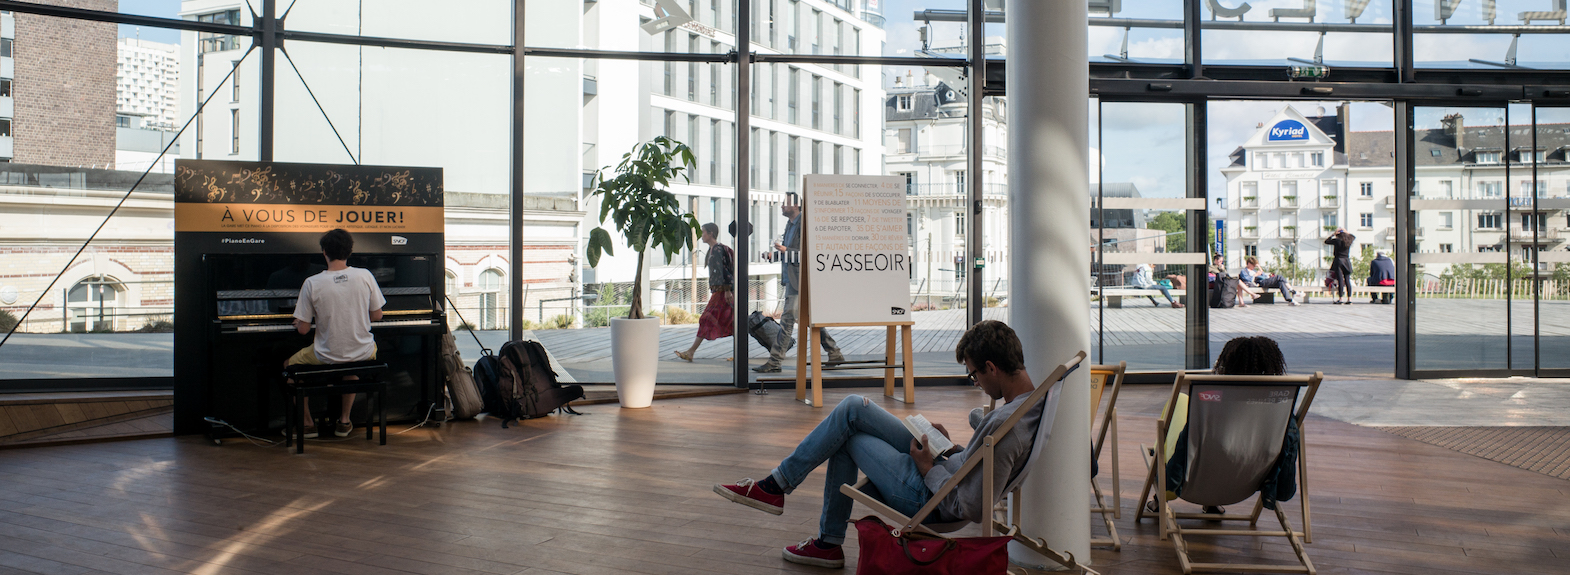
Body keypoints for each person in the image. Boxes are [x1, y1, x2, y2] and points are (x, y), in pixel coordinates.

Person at [715, 320, 1043, 568]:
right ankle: (791, 503)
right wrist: (952, 448)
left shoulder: (1006, 425)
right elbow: (979, 466)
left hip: (929, 495)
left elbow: (970, 506)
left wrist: (928, 468)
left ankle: (790, 502)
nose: (977, 384)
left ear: (991, 367)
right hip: (945, 468)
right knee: (854, 407)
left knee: (847, 432)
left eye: (974, 376)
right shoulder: (1033, 402)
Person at [1148, 335, 1289, 515]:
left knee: (1179, 402)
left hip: (1192, 480)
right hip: (1245, 484)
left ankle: (1160, 488)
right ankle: (1211, 502)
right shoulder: (1278, 411)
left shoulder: (1216, 404)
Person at [283, 229, 385, 439]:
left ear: (324, 252)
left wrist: (299, 321)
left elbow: (303, 330)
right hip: (363, 351)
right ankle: (344, 421)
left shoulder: (312, 282)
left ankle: (308, 424)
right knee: (352, 366)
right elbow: (377, 316)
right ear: (349, 251)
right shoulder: (365, 275)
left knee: (289, 366)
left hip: (326, 354)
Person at [756, 192, 845, 373]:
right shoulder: (790, 225)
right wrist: (775, 255)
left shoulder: (804, 225)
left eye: (785, 203)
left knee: (787, 320)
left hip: (801, 280)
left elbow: (808, 253)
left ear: (796, 205)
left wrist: (786, 249)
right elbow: (791, 253)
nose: (781, 206)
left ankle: (775, 361)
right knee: (809, 319)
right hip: (793, 279)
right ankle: (834, 352)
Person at [676, 223, 735, 362]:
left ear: (711, 234)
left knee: (707, 319)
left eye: (703, 233)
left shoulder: (717, 250)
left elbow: (723, 271)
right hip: (722, 291)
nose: (701, 235)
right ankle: (739, 353)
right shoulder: (714, 249)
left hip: (722, 293)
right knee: (732, 322)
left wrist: (727, 291)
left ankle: (691, 352)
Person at [1324, 228, 1356, 305]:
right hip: (1346, 261)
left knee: (1340, 280)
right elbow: (1353, 236)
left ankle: (1341, 298)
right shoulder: (1349, 240)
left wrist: (1333, 234)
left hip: (1338, 260)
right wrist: (1346, 231)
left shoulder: (1337, 240)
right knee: (1347, 280)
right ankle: (1349, 298)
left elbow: (1326, 241)